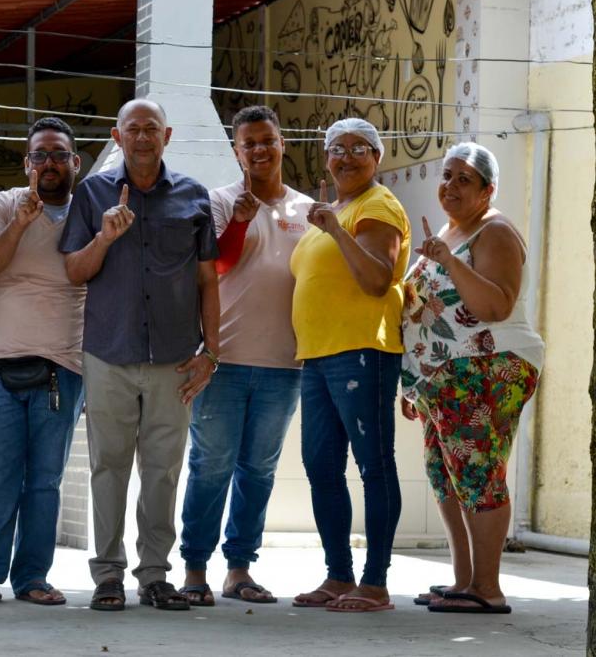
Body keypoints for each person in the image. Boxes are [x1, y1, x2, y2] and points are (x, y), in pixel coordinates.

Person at [60, 98, 220, 612]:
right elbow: (74, 272)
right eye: (134, 129)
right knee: (108, 467)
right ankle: (108, 575)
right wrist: (105, 238)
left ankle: (155, 576)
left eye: (152, 128)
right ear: (117, 135)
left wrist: (210, 351)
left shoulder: (194, 198)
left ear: (166, 136)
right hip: (108, 352)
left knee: (163, 470)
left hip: (174, 358)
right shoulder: (91, 194)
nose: (143, 137)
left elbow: (207, 281)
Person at [401, 142, 543, 614]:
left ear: (488, 189)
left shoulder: (495, 231)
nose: (451, 186)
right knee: (447, 476)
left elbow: (496, 305)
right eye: (447, 176)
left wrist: (449, 261)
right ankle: (465, 581)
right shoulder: (451, 230)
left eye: (465, 179)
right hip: (442, 379)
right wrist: (414, 380)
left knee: (479, 474)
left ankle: (488, 588)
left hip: (490, 368)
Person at [178, 106, 311, 606]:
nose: (259, 149)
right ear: (236, 152)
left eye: (267, 140)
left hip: (285, 365)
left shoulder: (307, 209)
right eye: (248, 143)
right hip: (223, 359)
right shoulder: (217, 201)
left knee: (259, 470)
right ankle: (194, 569)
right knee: (210, 465)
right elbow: (217, 267)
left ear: (283, 143)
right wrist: (237, 222)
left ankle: (239, 570)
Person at [0, 117, 87, 607]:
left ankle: (33, 576)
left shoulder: (88, 209)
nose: (48, 163)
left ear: (75, 162)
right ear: (25, 162)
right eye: (39, 155)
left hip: (63, 368)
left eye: (58, 154)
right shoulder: (1, 204)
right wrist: (22, 221)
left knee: (46, 480)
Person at [288, 118, 410, 613]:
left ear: (377, 158)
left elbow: (377, 280)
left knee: (374, 467)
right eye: (337, 148)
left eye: (360, 148)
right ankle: (338, 575)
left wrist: (336, 230)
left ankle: (375, 582)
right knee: (321, 467)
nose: (347, 157)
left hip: (362, 351)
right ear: (326, 158)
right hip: (318, 356)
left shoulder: (377, 205)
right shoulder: (332, 211)